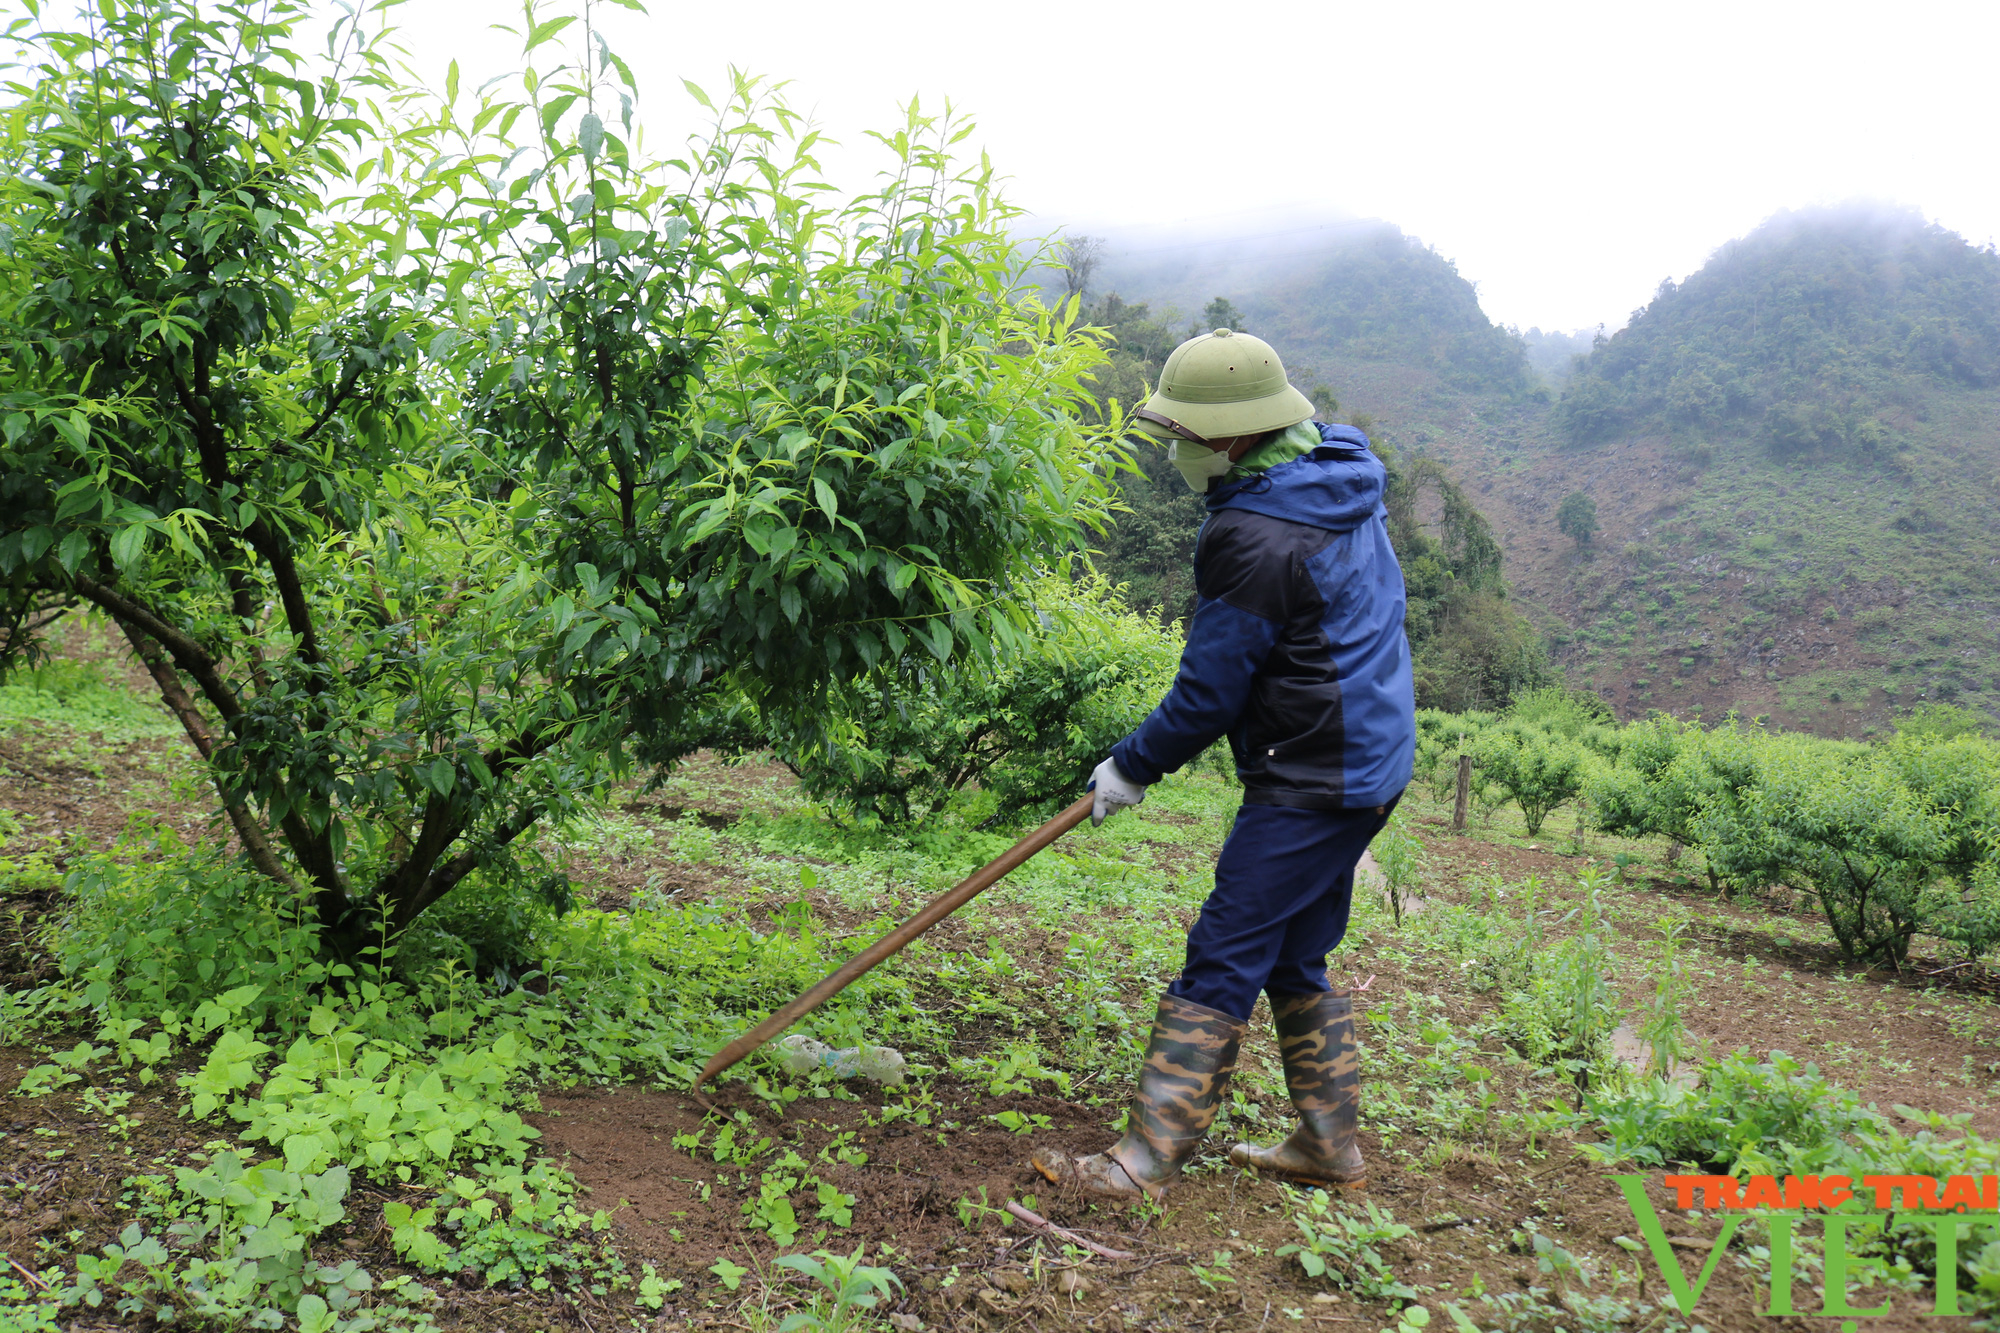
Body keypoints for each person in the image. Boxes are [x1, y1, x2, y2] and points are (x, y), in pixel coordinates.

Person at [1031, 327, 1415, 1202]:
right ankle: (1328, 1146)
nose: (1179, 449)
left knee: (1224, 949)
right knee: (1293, 950)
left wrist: (1129, 766)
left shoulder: (1256, 533)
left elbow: (1209, 693)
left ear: (1231, 437)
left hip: (1316, 773)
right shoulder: (1338, 470)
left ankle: (1142, 1162)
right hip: (1370, 756)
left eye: (1187, 435)